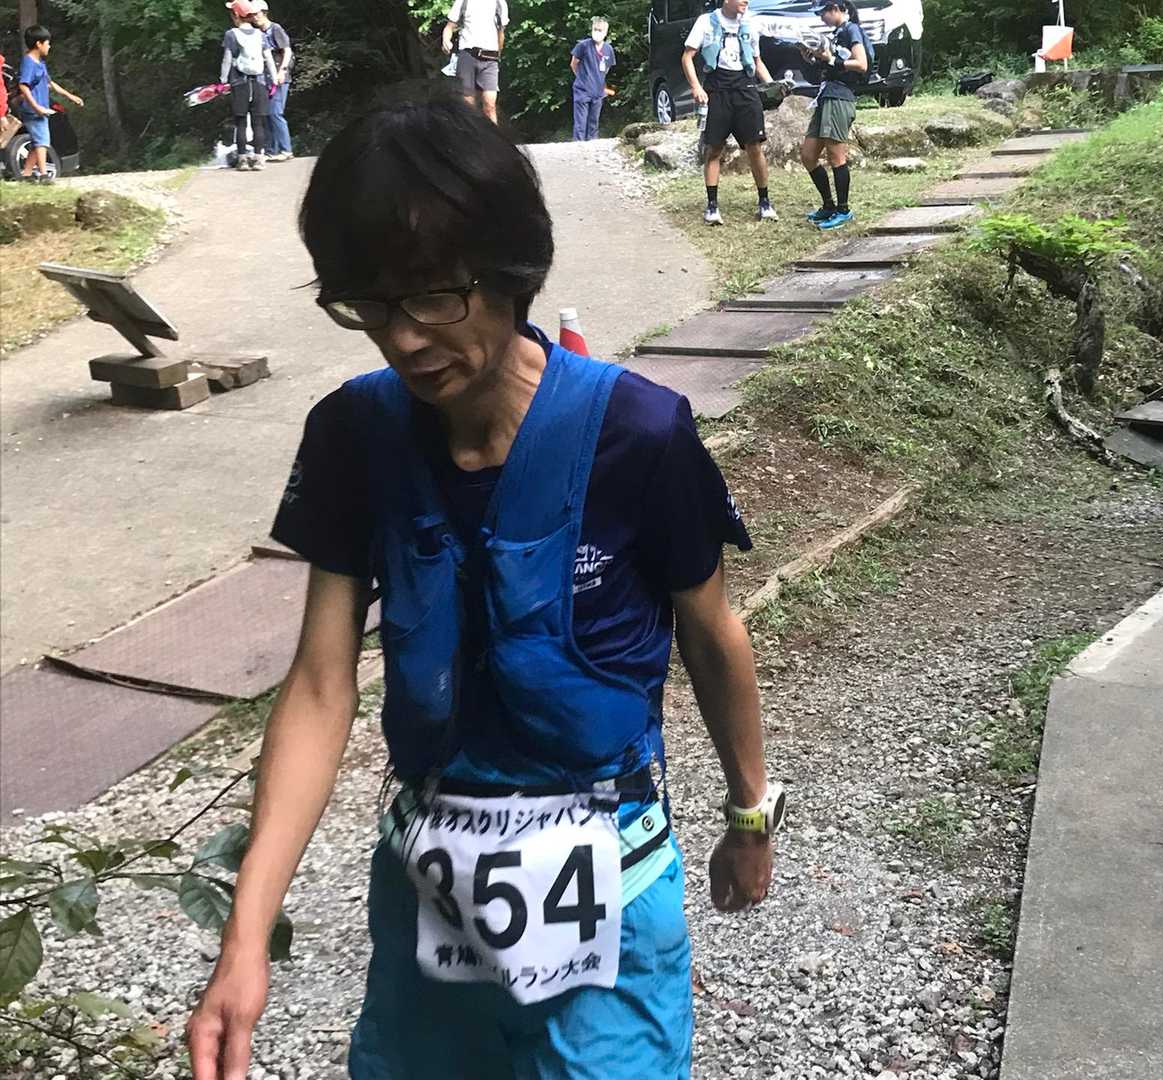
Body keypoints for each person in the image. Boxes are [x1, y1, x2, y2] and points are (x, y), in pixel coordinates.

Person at [184, 91, 783, 1080]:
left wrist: (749, 814)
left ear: (513, 270)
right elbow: (323, 684)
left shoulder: (640, 436)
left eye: (433, 295)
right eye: (369, 303)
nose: (403, 338)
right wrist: (246, 935)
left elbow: (712, 633)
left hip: (607, 884)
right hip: (427, 898)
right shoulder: (354, 436)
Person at [681, 0, 779, 226]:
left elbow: (757, 60)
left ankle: (764, 202)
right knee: (714, 148)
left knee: (755, 146)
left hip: (745, 87)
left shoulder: (750, 24)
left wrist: (773, 85)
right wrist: (696, 87)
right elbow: (687, 57)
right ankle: (712, 206)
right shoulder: (706, 22)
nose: (746, 1)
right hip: (717, 88)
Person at [799, 0, 870, 231]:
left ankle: (843, 210)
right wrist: (811, 58)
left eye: (823, 13)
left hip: (839, 97)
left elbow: (861, 64)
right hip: (826, 96)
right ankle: (828, 205)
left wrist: (831, 59)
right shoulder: (837, 34)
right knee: (808, 155)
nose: (821, 18)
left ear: (836, 8)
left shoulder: (851, 30)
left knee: (836, 156)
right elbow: (827, 68)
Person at [14, 25, 84, 183]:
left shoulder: (40, 63)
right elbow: (23, 86)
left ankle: (26, 174)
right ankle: (44, 175)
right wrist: (36, 107)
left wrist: (70, 96)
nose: (49, 46)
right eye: (47, 43)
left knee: (38, 141)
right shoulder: (29, 62)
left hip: (42, 109)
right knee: (43, 141)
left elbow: (50, 83)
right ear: (38, 44)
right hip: (34, 110)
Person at [220, 0, 277, 172]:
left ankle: (243, 160)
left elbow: (227, 59)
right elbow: (268, 59)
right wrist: (274, 80)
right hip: (259, 82)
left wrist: (223, 81)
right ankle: (259, 159)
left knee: (241, 123)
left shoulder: (231, 34)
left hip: (239, 83)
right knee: (258, 123)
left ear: (236, 15)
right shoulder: (260, 34)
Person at [442, 0, 510, 123]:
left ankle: (492, 135)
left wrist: (498, 54)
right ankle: (469, 134)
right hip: (467, 56)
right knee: (468, 106)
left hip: (490, 59)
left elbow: (501, 33)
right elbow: (449, 27)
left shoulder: (500, 3)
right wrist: (446, 40)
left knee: (490, 106)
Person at [252, 1, 293, 162]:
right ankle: (271, 150)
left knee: (276, 113)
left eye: (257, 14)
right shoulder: (257, 33)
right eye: (252, 15)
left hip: (279, 77)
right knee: (267, 114)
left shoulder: (275, 29)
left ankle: (286, 149)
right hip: (265, 78)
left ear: (264, 12)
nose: (255, 17)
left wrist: (282, 71)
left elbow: (287, 51)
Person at [570, 17, 616, 142]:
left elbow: (607, 68)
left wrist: (598, 80)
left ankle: (593, 146)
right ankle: (578, 146)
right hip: (582, 90)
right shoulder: (583, 46)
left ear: (605, 32)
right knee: (580, 124)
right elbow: (573, 64)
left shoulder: (608, 49)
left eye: (600, 30)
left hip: (598, 91)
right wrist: (582, 78)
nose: (597, 32)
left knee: (593, 123)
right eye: (595, 29)